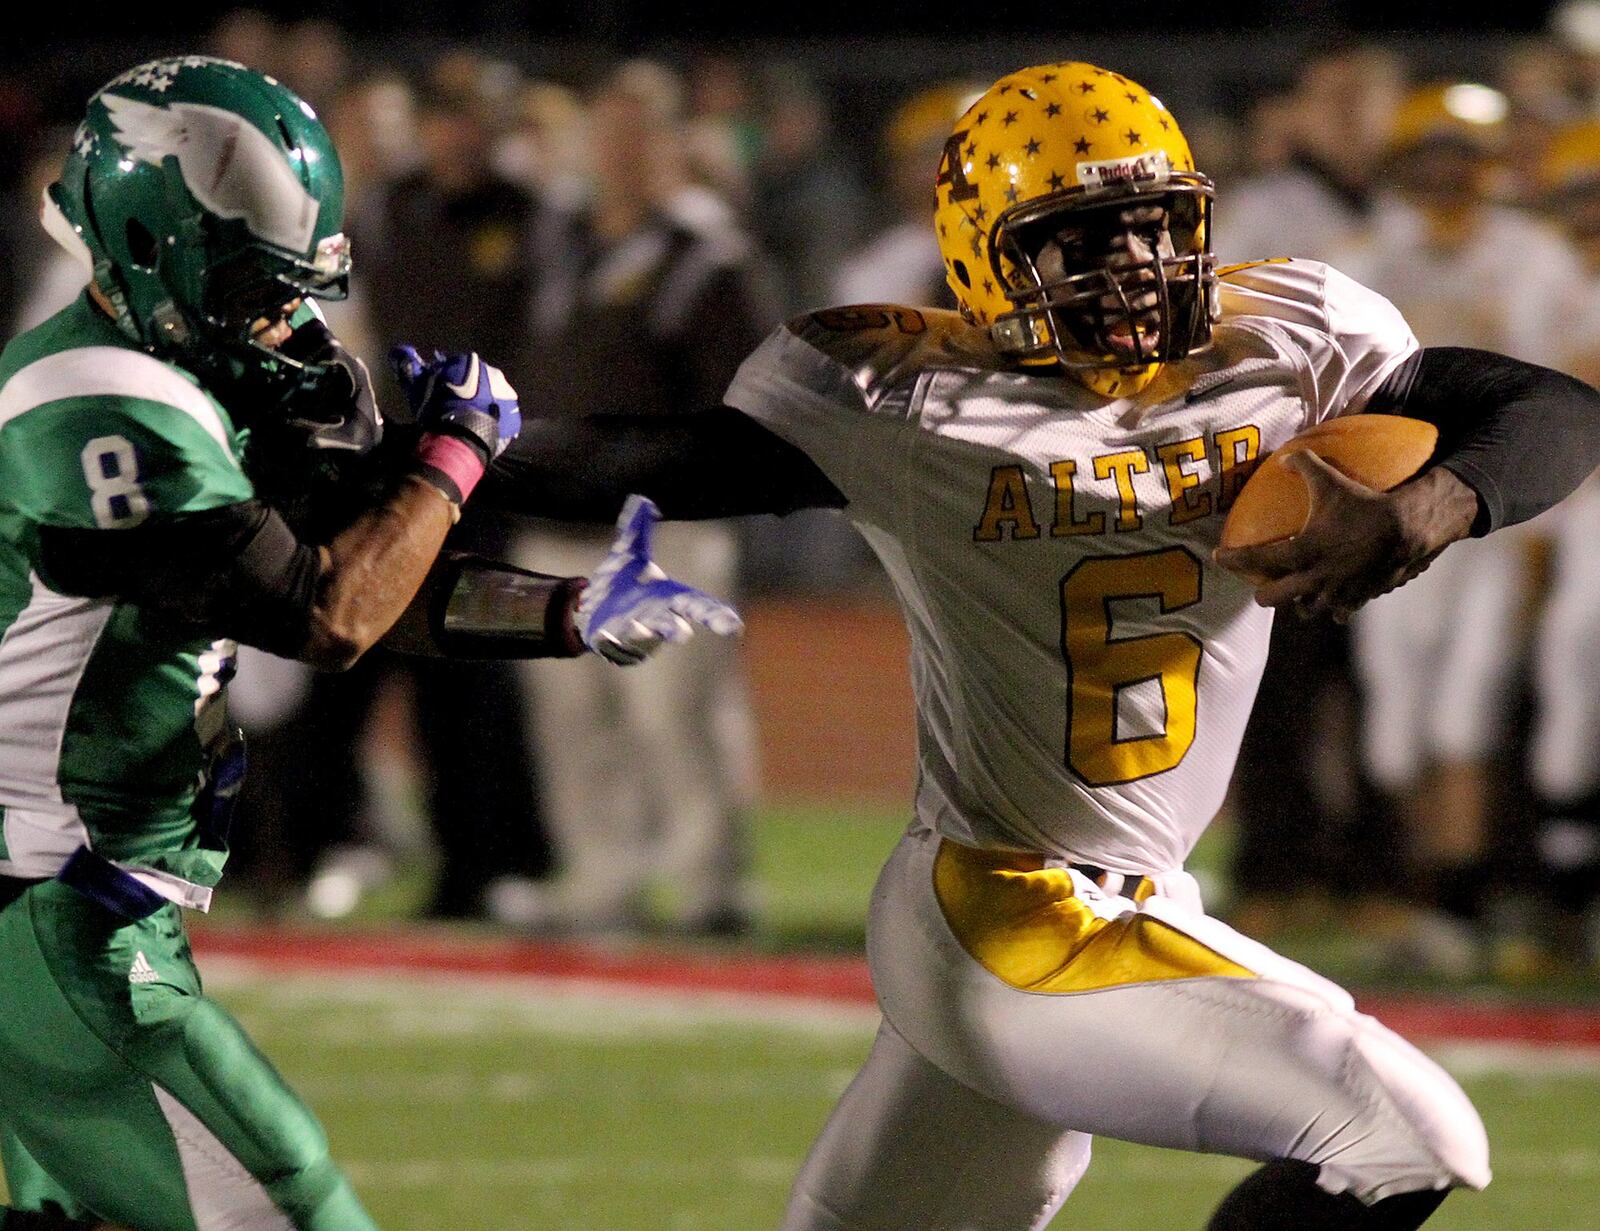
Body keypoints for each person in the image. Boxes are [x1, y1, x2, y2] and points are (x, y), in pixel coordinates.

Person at [484, 60, 1600, 1230]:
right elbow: (650, 458)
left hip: (1121, 905)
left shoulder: (1288, 345)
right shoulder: (907, 397)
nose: (1135, 264)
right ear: (988, 258)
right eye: (1086, 239)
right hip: (1000, 907)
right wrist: (440, 443)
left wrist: (1439, 500)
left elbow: (1553, 412)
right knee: (1403, 1134)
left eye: (1155, 225)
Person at [0, 56, 738, 1230]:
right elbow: (323, 613)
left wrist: (562, 610)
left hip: (91, 909)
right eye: (258, 288)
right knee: (293, 1196)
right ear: (148, 253)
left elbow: (380, 587)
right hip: (47, 918)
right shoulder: (94, 404)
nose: (290, 321)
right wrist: (451, 458)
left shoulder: (182, 375)